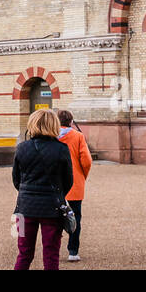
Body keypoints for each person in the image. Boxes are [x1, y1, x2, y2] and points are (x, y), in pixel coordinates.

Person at [12, 108, 73, 270]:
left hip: (24, 208)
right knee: (51, 254)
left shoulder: (22, 148)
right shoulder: (61, 149)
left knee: (24, 253)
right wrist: (57, 193)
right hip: (52, 208)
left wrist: (27, 192)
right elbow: (68, 181)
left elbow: (16, 180)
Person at [56, 109, 92, 263]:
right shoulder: (78, 136)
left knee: (54, 219)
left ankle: (53, 250)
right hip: (74, 184)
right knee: (75, 218)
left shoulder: (50, 136)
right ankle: (73, 251)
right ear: (71, 121)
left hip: (55, 186)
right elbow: (87, 160)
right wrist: (82, 175)